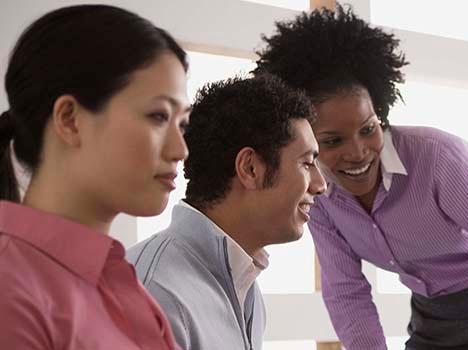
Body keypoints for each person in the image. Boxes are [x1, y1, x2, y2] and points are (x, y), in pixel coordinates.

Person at [255, 6, 468, 350]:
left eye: (368, 129)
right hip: (432, 319)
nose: (359, 152)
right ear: (307, 140)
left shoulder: (438, 157)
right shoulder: (318, 197)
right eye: (333, 141)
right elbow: (347, 293)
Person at [0, 5, 189, 349]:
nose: (180, 150)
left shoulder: (120, 279)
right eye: (158, 116)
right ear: (70, 119)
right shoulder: (10, 291)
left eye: (183, 124)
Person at [127, 75, 327, 350]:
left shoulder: (245, 287)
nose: (321, 185)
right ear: (250, 169)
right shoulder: (154, 293)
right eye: (307, 163)